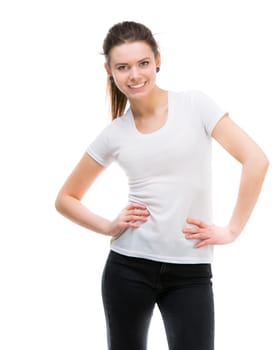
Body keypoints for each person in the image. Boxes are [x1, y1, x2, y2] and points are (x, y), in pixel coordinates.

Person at [55, 21, 269, 350]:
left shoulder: (195, 105)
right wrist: (109, 226)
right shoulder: (115, 133)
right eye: (122, 67)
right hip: (127, 268)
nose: (135, 75)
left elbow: (256, 160)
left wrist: (232, 230)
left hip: (190, 272)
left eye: (142, 63)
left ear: (157, 59)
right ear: (109, 71)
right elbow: (66, 198)